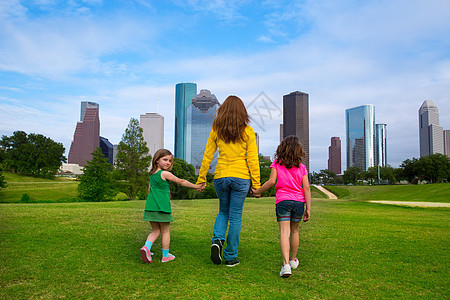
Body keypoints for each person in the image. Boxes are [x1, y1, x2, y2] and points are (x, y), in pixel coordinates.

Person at [196, 95, 261, 267]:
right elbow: (253, 160)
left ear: (223, 110)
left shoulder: (216, 129)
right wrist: (257, 185)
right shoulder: (247, 131)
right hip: (241, 177)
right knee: (236, 216)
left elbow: (208, 155)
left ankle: (217, 240)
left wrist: (202, 178)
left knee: (223, 212)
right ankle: (231, 255)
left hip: (221, 176)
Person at [252, 136, 311, 278]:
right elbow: (307, 188)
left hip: (283, 201)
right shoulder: (302, 167)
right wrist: (308, 208)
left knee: (285, 232)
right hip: (298, 202)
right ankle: (292, 260)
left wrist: (257, 191)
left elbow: (271, 182)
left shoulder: (277, 164)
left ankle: (285, 265)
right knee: (295, 231)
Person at [140, 149, 203, 264]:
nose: (168, 162)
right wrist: (196, 186)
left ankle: (146, 248)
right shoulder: (164, 173)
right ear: (156, 160)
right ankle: (165, 256)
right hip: (162, 208)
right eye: (165, 160)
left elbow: (149, 190)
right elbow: (181, 181)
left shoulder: (151, 175)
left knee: (155, 231)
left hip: (150, 207)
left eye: (170, 160)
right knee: (165, 231)